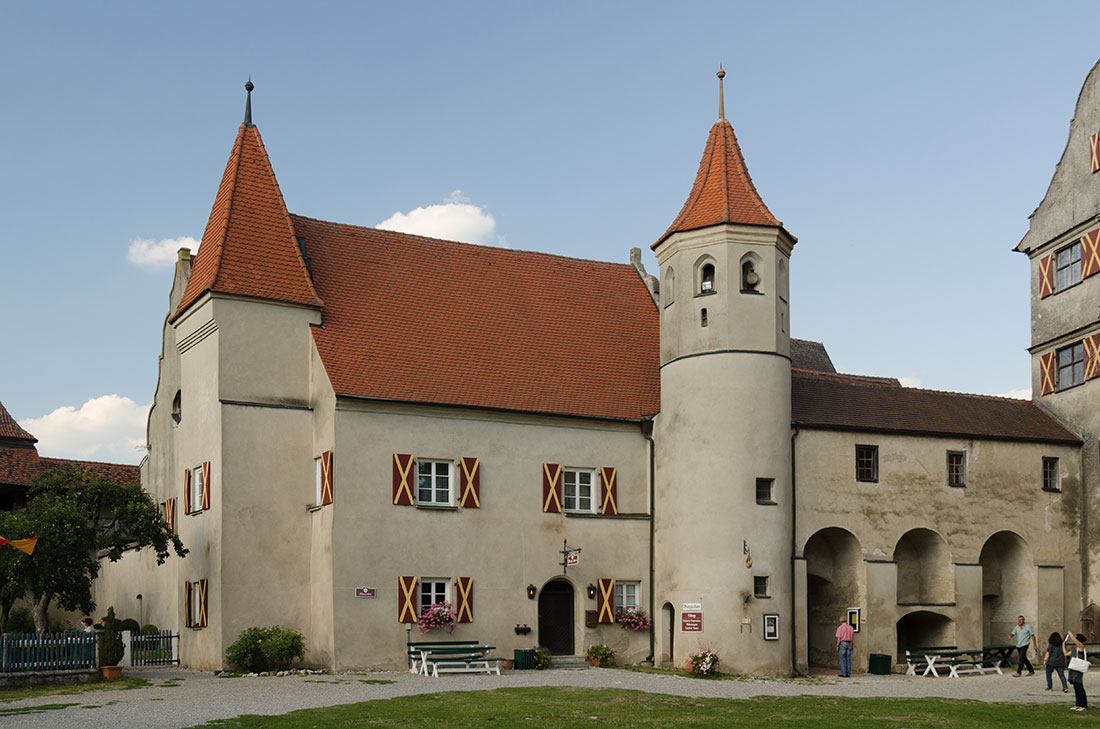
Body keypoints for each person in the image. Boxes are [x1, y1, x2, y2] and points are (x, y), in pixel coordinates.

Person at [1066, 632, 1088, 711]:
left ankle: (1083, 705)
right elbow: (1065, 653)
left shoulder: (1081, 647)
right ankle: (1078, 703)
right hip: (1073, 669)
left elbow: (1078, 643)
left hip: (1078, 669)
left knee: (1079, 687)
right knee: (1076, 687)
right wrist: (1063, 644)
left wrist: (1071, 635)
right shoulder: (1074, 650)